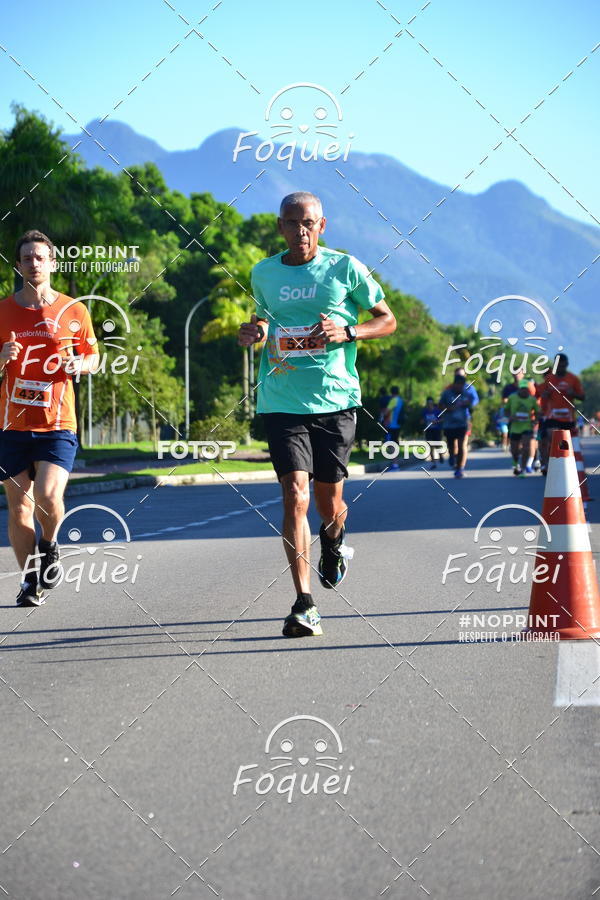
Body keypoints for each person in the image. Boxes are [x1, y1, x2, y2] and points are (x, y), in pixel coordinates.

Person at [238, 192, 396, 637]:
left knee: (330, 505)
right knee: (295, 494)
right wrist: (256, 331)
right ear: (280, 227)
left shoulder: (346, 268)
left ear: (322, 226)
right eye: (292, 223)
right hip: (281, 399)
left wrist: (349, 331)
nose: (300, 231)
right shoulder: (263, 273)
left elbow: (387, 320)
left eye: (308, 223)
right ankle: (304, 604)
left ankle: (333, 539)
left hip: (335, 399)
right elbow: (266, 318)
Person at [0, 230, 98, 606]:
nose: (34, 264)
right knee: (19, 507)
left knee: (46, 495)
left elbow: (94, 356)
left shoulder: (74, 310)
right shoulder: (3, 311)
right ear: (18, 265)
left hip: (57, 424)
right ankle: (30, 582)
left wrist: (80, 364)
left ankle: (50, 543)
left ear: (53, 263)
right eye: (27, 258)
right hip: (11, 426)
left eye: (40, 257)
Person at [536, 353, 585, 474]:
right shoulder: (549, 379)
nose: (560, 368)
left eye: (563, 366)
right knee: (551, 436)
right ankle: (549, 465)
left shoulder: (573, 379)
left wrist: (573, 393)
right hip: (552, 415)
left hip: (568, 417)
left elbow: (582, 397)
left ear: (566, 365)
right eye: (558, 366)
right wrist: (545, 395)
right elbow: (542, 395)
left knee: (565, 443)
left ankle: (564, 465)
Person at [439, 373, 475, 478]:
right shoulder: (447, 393)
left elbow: (471, 405)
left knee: (461, 446)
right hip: (449, 424)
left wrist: (467, 403)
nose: (460, 387)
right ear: (454, 384)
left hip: (462, 424)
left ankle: (459, 469)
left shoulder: (466, 393)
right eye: (459, 384)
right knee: (451, 446)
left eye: (462, 385)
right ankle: (451, 456)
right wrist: (448, 408)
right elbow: (440, 405)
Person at [506, 379, 540, 475]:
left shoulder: (532, 399)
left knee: (526, 448)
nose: (524, 390)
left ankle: (523, 468)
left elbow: (538, 412)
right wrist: (510, 417)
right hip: (515, 427)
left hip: (527, 426)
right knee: (515, 450)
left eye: (526, 389)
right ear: (519, 389)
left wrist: (535, 421)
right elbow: (506, 410)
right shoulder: (512, 397)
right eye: (522, 388)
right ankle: (516, 463)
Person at [422, 396, 444, 469]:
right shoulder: (425, 411)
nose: (429, 405)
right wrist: (423, 421)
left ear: (432, 403)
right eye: (428, 403)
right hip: (428, 430)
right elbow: (423, 419)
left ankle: (440, 455)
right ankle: (433, 463)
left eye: (431, 403)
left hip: (437, 430)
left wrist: (436, 421)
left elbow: (443, 419)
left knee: (437, 445)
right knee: (430, 446)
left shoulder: (437, 411)